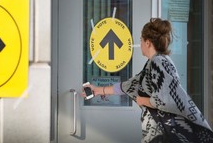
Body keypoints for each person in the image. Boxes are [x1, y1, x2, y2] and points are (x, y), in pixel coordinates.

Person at [84, 18, 213, 143]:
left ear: (148, 43)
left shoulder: (159, 62)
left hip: (164, 134)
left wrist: (142, 100)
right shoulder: (153, 64)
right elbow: (129, 85)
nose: (140, 44)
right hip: (158, 133)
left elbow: (165, 99)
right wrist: (98, 90)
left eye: (141, 40)